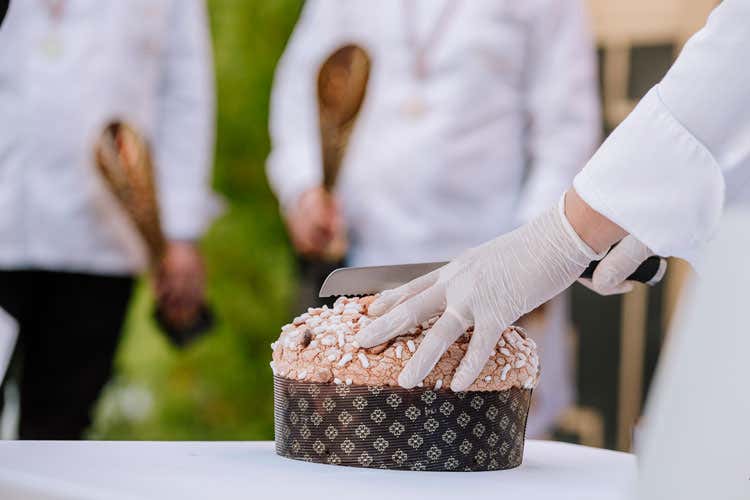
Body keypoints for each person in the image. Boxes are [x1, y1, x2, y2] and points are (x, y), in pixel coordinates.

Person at [355, 0, 750, 392]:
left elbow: (733, 65)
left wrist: (553, 240)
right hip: (380, 243)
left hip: (494, 238)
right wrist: (643, 213)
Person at [267, 0, 600, 437]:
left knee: (490, 450)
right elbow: (301, 83)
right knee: (357, 445)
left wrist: (537, 257)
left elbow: (567, 129)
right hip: (366, 260)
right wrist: (303, 187)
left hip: (494, 270)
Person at [0, 0, 218, 439]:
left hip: (100, 237)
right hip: (6, 218)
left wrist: (178, 232)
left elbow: (184, 96)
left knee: (60, 429)